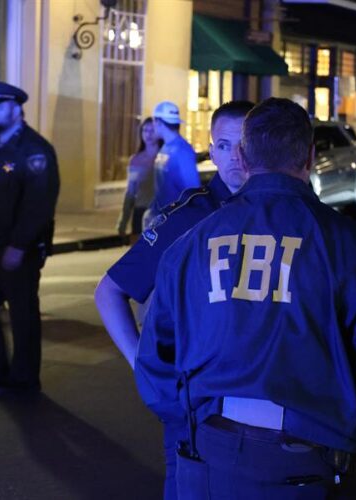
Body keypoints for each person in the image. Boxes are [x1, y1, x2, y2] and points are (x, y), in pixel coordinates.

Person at [134, 98, 356, 499]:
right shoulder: (351, 245)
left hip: (211, 453)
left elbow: (154, 357)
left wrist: (189, 419)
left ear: (245, 157)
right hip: (311, 456)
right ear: (310, 156)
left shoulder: (190, 244)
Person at [95, 100, 254, 500]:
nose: (234, 157)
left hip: (264, 410)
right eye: (223, 145)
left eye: (246, 144)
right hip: (198, 410)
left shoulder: (285, 215)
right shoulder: (189, 217)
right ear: (211, 150)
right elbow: (109, 292)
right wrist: (144, 369)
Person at [0, 81, 60, 397]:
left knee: (23, 315)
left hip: (18, 250)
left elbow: (39, 204)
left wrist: (19, 245)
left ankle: (24, 380)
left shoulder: (34, 150)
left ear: (17, 110)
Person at [148, 101, 199, 218]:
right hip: (162, 218)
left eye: (154, 121)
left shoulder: (182, 151)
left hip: (176, 221)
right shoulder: (166, 147)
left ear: (159, 122)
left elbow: (193, 193)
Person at [115, 117, 160, 244]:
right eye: (145, 130)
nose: (148, 134)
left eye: (152, 130)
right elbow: (131, 191)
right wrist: (123, 221)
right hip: (140, 211)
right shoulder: (136, 160)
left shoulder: (166, 157)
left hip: (160, 212)